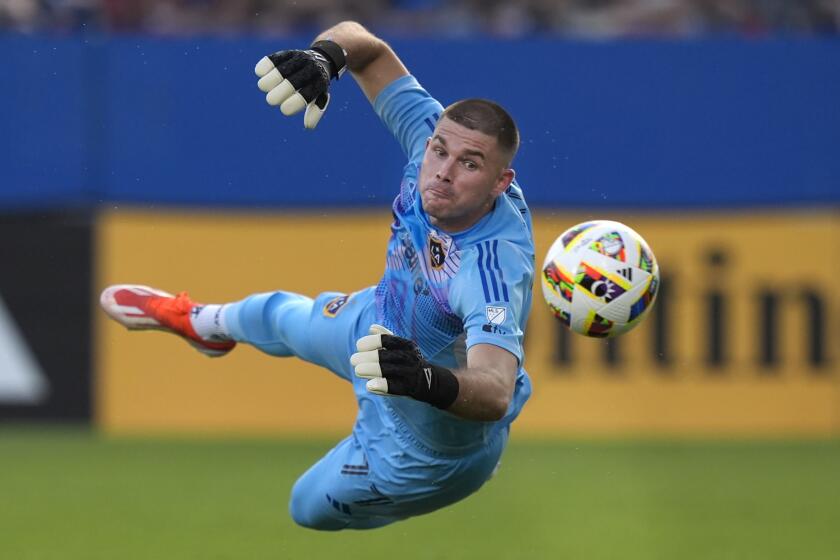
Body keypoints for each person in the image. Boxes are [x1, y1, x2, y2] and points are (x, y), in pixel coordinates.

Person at [100, 20, 535, 531]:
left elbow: (494, 389)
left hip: (428, 437)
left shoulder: (492, 267)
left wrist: (422, 379)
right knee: (277, 314)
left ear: (500, 182)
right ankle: (201, 324)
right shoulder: (432, 137)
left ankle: (478, 457)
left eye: (470, 164)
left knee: (305, 507)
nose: (442, 169)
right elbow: (367, 47)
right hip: (378, 325)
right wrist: (326, 56)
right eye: (441, 151)